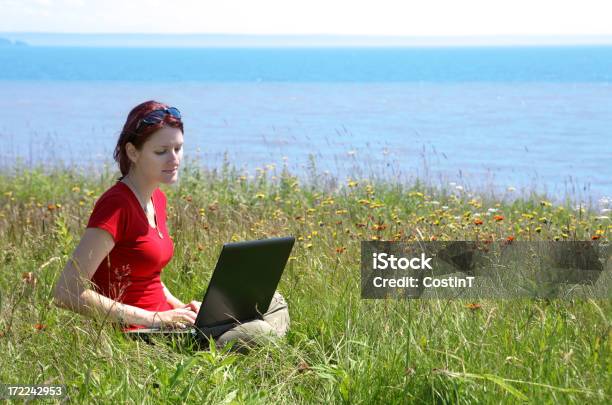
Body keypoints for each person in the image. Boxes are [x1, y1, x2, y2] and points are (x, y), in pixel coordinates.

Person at [53, 100, 289, 350]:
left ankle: (239, 345)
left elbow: (148, 276)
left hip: (172, 325)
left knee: (273, 300)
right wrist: (154, 319)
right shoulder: (116, 206)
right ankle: (245, 348)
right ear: (133, 152)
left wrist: (184, 309)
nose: (174, 159)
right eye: (161, 151)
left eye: (178, 148)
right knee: (261, 331)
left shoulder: (157, 198)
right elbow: (66, 291)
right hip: (141, 335)